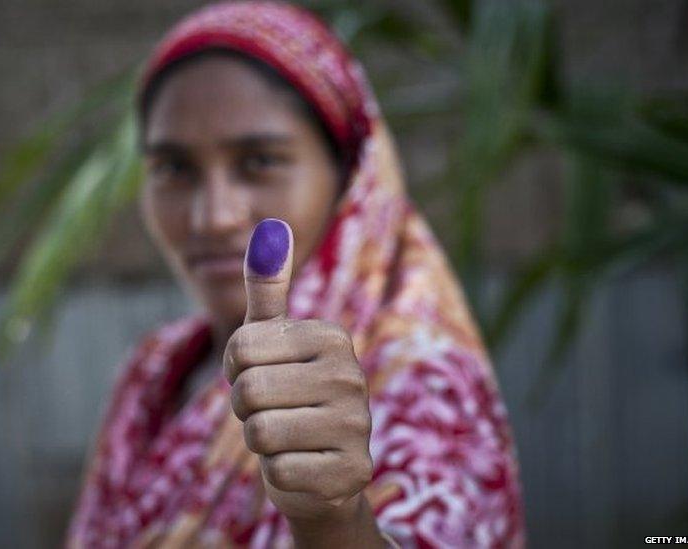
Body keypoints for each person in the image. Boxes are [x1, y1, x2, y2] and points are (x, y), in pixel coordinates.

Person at [66, 2, 524, 547]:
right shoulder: (151, 376)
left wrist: (335, 523)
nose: (211, 216)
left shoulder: (424, 385)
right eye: (174, 169)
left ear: (351, 176)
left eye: (259, 161)